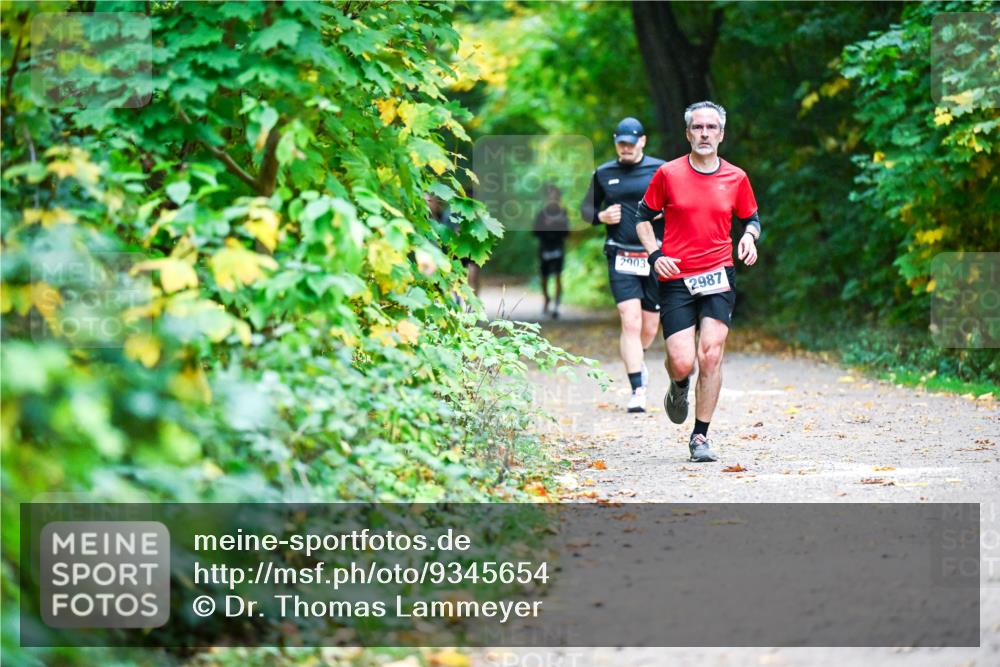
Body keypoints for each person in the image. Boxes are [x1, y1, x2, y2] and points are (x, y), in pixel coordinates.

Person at [634, 101, 761, 463]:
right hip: (676, 277)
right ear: (688, 133)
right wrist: (655, 255)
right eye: (698, 127)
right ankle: (678, 386)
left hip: (718, 274)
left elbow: (752, 219)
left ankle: (700, 436)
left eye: (711, 127)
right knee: (682, 361)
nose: (705, 133)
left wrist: (749, 237)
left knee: (711, 354)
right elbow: (642, 218)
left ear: (721, 134)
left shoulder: (736, 177)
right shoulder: (668, 174)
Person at [580, 117, 665, 412]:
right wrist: (600, 217)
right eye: (621, 144)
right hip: (621, 254)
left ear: (642, 141)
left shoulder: (661, 170)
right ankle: (637, 389)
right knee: (630, 320)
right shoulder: (604, 173)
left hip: (654, 256)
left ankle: (637, 359)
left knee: (649, 327)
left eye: (630, 143)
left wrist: (666, 211)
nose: (625, 148)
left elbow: (683, 204)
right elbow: (585, 210)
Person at [533, 184, 570, 319]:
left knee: (558, 276)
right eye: (550, 197)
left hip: (558, 248)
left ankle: (556, 305)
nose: (553, 199)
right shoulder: (541, 214)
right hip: (544, 248)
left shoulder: (563, 213)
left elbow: (567, 232)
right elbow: (534, 232)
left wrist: (557, 226)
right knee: (544, 278)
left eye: (555, 197)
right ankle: (546, 300)